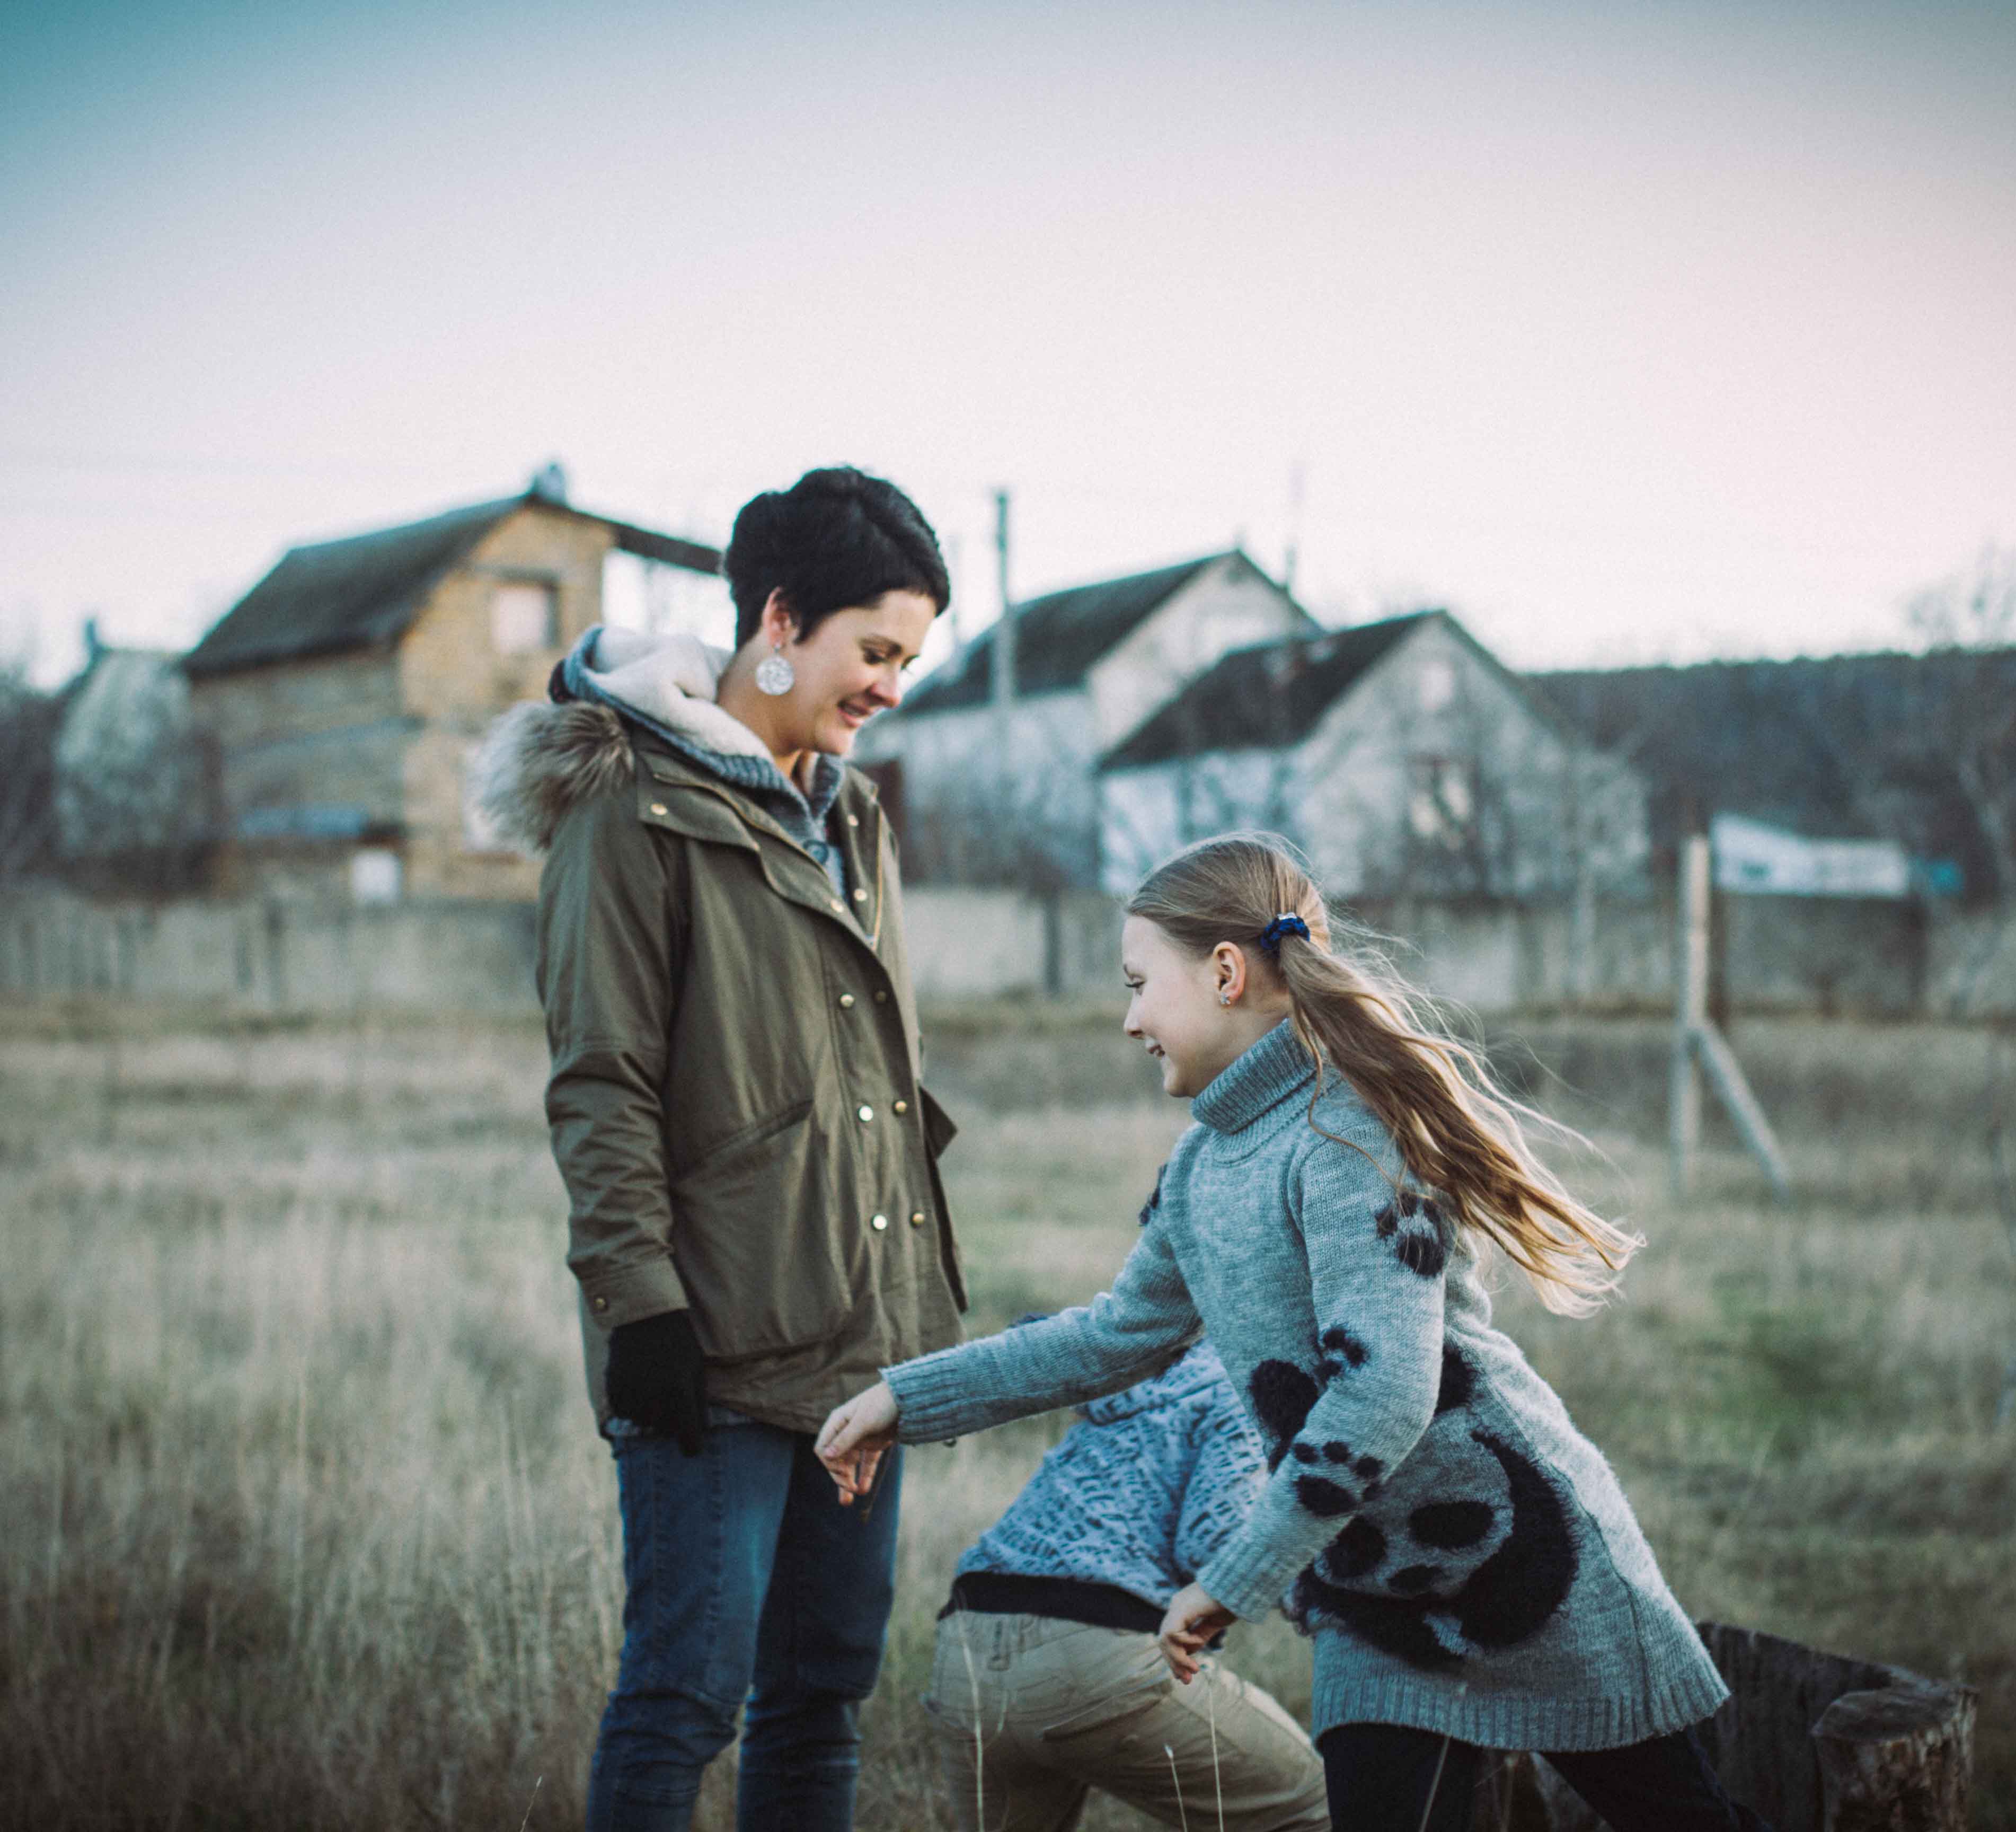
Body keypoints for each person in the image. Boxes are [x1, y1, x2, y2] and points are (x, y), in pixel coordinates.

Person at [818, 833, 1771, 1832]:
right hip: (1378, 1609)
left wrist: (1234, 1579)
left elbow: (1384, 1391)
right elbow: (1111, 1338)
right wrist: (904, 1398)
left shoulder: (1348, 1133)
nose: (1130, 1019)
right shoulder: (1201, 1168)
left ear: (1226, 973)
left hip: (1531, 1562)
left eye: (1140, 985)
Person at [473, 467, 970, 1832]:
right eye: (876, 652)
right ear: (780, 618)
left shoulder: (853, 816)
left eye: (909, 661)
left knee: (821, 1694)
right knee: (685, 1695)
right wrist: (640, 1307)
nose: (891, 688)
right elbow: (602, 1083)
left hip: (859, 1343)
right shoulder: (626, 804)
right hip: (709, 1341)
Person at [921, 1328, 1329, 1831]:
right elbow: (1214, 1537)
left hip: (966, 1651)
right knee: (1322, 1809)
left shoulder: (1142, 1372)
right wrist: (1326, 1601)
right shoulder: (1247, 1382)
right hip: (1095, 1656)